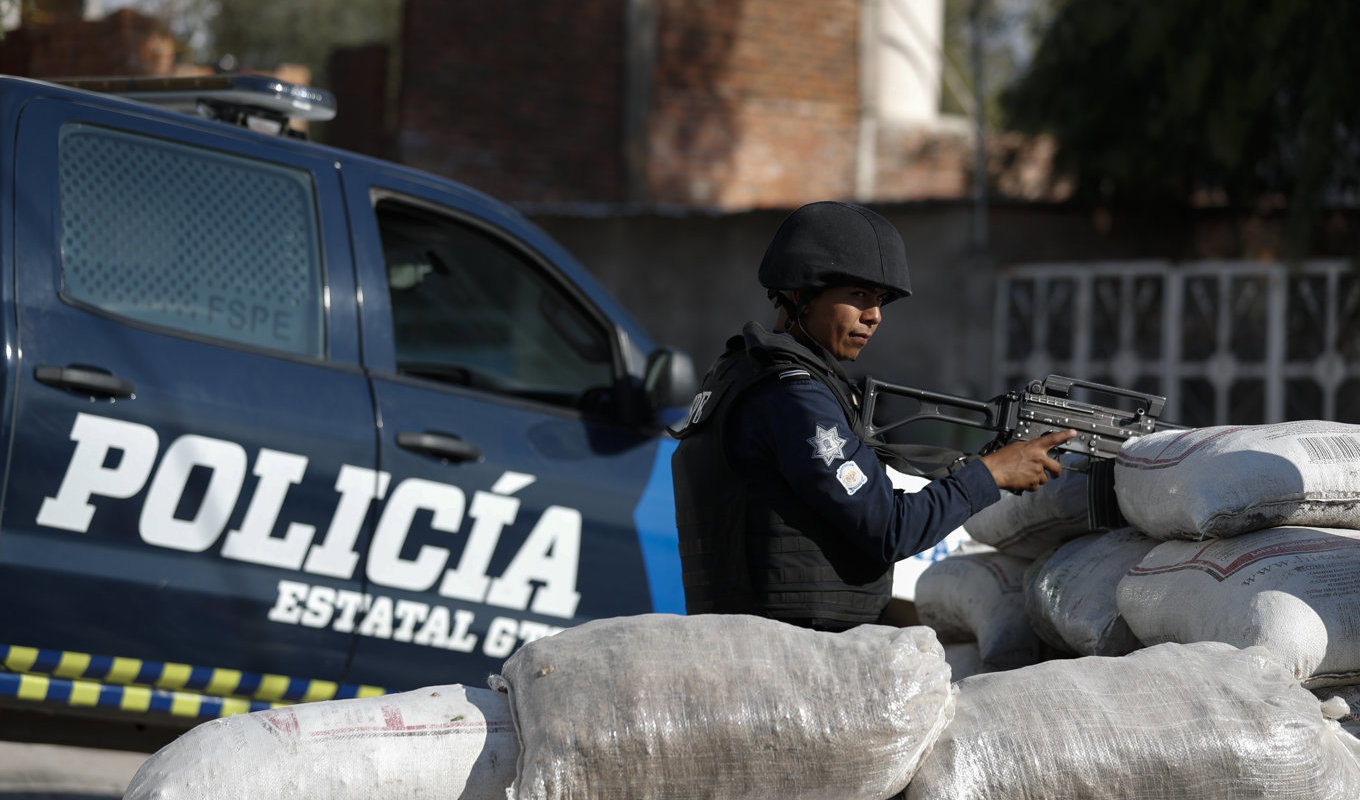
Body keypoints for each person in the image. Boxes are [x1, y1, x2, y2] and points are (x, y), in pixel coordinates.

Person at [670, 201, 1076, 632]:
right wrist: (990, 474)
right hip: (788, 651)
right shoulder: (792, 397)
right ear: (798, 294)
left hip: (764, 640)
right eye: (858, 295)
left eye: (880, 300)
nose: (875, 315)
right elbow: (890, 530)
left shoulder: (743, 371)